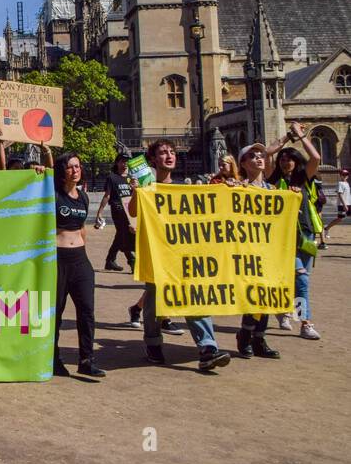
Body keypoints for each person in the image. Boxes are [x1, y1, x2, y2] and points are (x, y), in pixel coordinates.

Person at [127, 139, 231, 371]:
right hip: (155, 252)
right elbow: (133, 211)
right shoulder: (147, 188)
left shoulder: (184, 188)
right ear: (152, 159)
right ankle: (153, 343)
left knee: (193, 294)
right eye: (163, 153)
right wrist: (137, 193)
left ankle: (207, 348)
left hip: (183, 254)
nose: (169, 156)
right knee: (154, 299)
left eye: (172, 152)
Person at [52, 151, 104, 377]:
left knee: (87, 312)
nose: (76, 170)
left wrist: (82, 249)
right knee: (56, 313)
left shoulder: (82, 197)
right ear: (62, 172)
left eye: (78, 166)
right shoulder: (53, 195)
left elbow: (82, 228)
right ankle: (53, 358)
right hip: (58, 259)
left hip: (80, 260)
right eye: (71, 167)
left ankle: (86, 359)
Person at [268, 123, 322, 340]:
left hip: (305, 234)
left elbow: (316, 157)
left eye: (289, 159)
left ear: (296, 161)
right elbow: (267, 153)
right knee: (301, 280)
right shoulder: (273, 180)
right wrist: (287, 136)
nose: (285, 162)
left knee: (300, 279)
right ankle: (305, 323)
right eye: (282, 159)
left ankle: (284, 311)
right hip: (282, 238)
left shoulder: (303, 178)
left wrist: (301, 136)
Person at [232, 143, 282, 359]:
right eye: (252, 156)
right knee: (253, 295)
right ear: (243, 163)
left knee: (268, 296)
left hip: (269, 250)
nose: (259, 158)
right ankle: (246, 334)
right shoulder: (238, 188)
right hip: (247, 250)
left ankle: (258, 338)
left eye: (261, 155)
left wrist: (293, 196)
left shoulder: (274, 190)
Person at [94, 155, 136, 272]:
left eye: (127, 162)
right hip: (117, 209)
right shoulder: (112, 178)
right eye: (122, 162)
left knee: (121, 235)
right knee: (123, 233)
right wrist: (99, 212)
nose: (125, 164)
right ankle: (132, 261)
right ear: (117, 163)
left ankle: (110, 260)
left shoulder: (130, 178)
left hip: (130, 209)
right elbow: (107, 195)